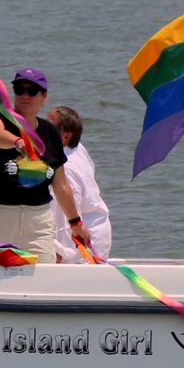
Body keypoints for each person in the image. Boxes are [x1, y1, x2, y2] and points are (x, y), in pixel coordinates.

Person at [0, 67, 91, 261]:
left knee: (44, 275)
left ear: (44, 96)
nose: (26, 95)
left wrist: (76, 223)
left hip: (37, 220)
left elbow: (61, 185)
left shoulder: (50, 132)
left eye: (32, 91)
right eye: (20, 89)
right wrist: (18, 142)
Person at [47, 105, 113, 263]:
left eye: (49, 127)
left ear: (66, 137)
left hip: (83, 246)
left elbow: (67, 214)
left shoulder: (66, 168)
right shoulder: (77, 149)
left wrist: (59, 252)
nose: (42, 129)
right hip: (97, 232)